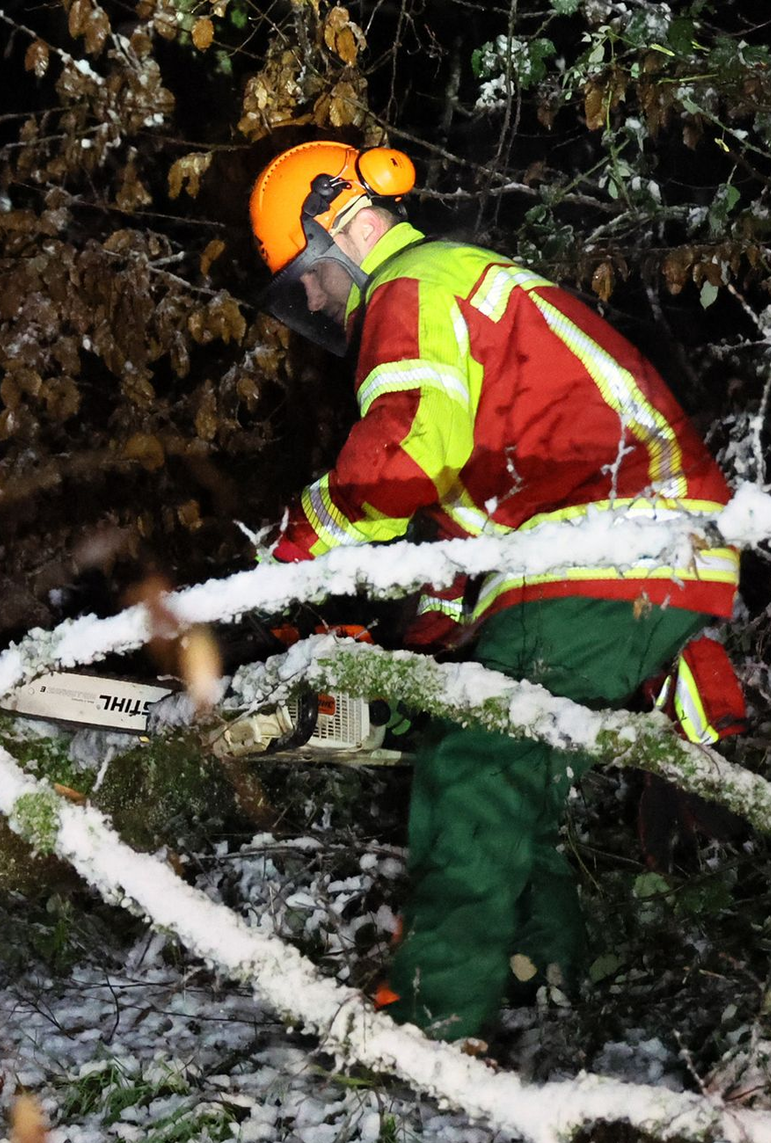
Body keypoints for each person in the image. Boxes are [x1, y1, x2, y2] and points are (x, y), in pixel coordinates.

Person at [248, 139, 740, 1039]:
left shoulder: (413, 287)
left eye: (309, 276)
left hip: (605, 547)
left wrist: (295, 547)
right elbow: (464, 516)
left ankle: (429, 1021)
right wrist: (421, 638)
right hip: (640, 551)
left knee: (476, 768)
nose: (312, 300)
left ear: (347, 221)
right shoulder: (474, 295)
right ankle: (538, 978)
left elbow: (399, 461)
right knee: (519, 773)